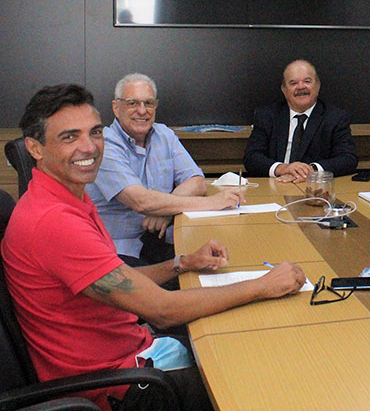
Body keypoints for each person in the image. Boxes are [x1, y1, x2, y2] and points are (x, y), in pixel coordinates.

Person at [1, 84, 307, 411]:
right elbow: (163, 310)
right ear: (35, 148)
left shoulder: (62, 196)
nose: (89, 147)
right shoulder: (53, 222)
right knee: (258, 379)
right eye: (69, 137)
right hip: (115, 387)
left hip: (130, 353)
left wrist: (181, 263)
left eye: (95, 132)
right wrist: (263, 285)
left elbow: (117, 278)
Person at [85, 73, 242, 266]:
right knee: (185, 284)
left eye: (148, 103)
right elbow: (141, 201)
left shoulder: (164, 135)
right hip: (117, 249)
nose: (142, 111)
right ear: (116, 108)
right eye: (133, 103)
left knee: (223, 261)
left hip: (162, 238)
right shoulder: (104, 145)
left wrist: (164, 212)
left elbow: (197, 181)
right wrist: (213, 202)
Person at [243, 59, 358, 182]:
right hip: (276, 184)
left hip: (315, 188)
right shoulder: (267, 115)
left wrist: (311, 171)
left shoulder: (335, 117)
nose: (301, 87)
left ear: (318, 86)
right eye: (293, 83)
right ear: (284, 90)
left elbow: (348, 159)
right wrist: (282, 168)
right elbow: (251, 158)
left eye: (307, 81)